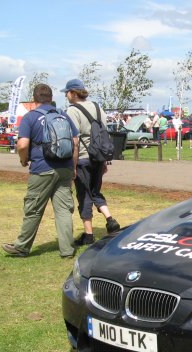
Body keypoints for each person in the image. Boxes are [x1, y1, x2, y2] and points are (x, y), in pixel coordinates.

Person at [2, 84, 79, 258]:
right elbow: (75, 143)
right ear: (51, 98)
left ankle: (22, 247)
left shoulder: (30, 117)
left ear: (34, 99)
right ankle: (67, 250)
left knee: (33, 208)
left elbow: (22, 145)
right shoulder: (63, 115)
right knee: (64, 210)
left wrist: (23, 160)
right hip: (65, 167)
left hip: (42, 168)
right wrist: (73, 167)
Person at [63, 78, 120, 246]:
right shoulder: (98, 107)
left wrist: (72, 166)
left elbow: (74, 140)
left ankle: (88, 235)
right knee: (95, 190)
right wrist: (103, 162)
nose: (66, 95)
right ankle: (109, 219)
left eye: (67, 92)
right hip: (98, 157)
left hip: (82, 158)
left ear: (73, 93)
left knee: (84, 195)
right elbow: (103, 133)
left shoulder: (72, 111)